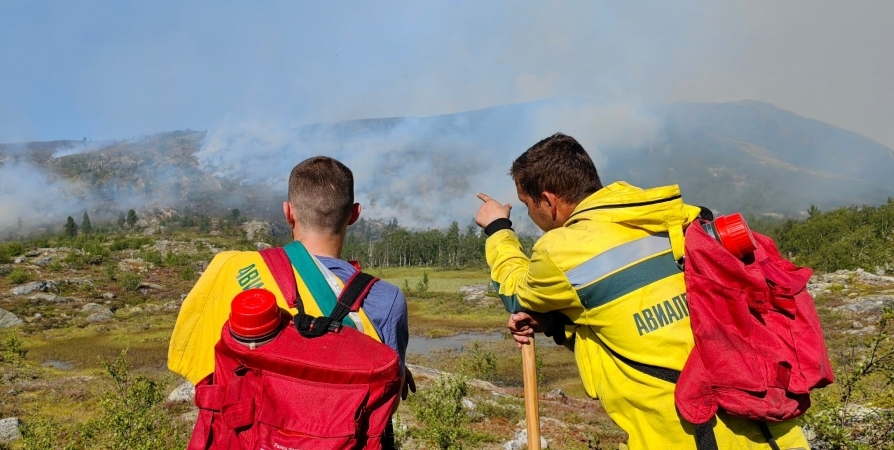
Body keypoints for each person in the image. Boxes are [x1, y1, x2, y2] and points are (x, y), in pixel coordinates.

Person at [475, 133, 809, 449]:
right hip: (778, 431)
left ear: (548, 201)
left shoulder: (563, 250)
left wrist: (498, 228)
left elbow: (517, 295)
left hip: (690, 437)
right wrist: (557, 326)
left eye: (526, 204)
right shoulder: (674, 218)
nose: (531, 214)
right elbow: (625, 316)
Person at [168, 156, 413, 447]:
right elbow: (385, 406)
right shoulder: (386, 300)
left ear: (288, 212)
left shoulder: (230, 268)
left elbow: (207, 371)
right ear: (354, 214)